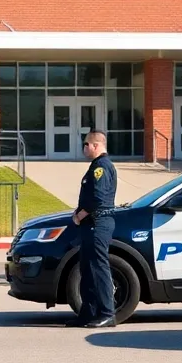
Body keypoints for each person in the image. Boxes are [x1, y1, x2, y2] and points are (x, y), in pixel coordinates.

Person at [67, 130, 118, 328]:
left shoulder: (102, 167)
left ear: (95, 146)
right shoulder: (96, 166)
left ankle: (107, 313)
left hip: (98, 223)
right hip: (91, 225)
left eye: (86, 144)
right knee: (87, 269)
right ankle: (88, 313)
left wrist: (79, 215)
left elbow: (98, 199)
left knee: (99, 268)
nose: (84, 148)